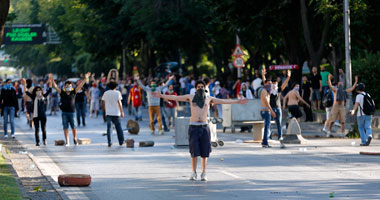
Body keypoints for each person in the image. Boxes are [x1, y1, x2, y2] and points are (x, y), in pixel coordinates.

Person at [152, 80, 248, 181]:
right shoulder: (190, 97)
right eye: (199, 87)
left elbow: (223, 101)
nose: (200, 88)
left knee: (204, 152)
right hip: (193, 127)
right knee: (194, 152)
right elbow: (175, 97)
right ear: (195, 88)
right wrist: (162, 96)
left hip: (204, 126)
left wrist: (237, 101)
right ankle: (193, 172)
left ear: (204, 89)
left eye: (202, 87)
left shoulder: (208, 99)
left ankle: (204, 173)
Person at [50, 72, 90, 146]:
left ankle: (74, 138)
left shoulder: (73, 92)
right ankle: (67, 141)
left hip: (72, 112)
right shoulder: (62, 92)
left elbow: (80, 85)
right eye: (67, 85)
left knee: (73, 127)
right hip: (64, 112)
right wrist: (52, 80)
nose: (68, 86)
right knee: (65, 127)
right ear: (65, 86)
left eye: (70, 85)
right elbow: (55, 87)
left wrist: (85, 78)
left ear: (72, 86)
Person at [262, 69, 291, 140]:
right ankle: (270, 136)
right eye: (273, 83)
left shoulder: (278, 90)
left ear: (277, 84)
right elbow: (265, 82)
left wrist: (288, 77)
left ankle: (280, 137)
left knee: (279, 124)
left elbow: (284, 85)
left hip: (278, 108)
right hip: (270, 108)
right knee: (269, 124)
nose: (274, 84)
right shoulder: (269, 90)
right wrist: (263, 75)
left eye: (276, 83)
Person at [102, 81, 125, 147]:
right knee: (118, 127)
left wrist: (105, 110)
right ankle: (121, 141)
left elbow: (103, 103)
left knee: (109, 128)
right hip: (116, 113)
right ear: (116, 86)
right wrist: (122, 111)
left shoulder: (106, 93)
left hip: (108, 113)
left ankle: (110, 142)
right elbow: (120, 103)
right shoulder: (118, 93)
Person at [260, 79, 277, 147]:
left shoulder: (267, 91)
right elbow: (266, 102)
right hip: (265, 111)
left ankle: (265, 141)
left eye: (271, 83)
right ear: (265, 84)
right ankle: (265, 142)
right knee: (267, 127)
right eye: (268, 83)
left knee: (268, 127)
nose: (270, 84)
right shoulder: (264, 91)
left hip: (266, 111)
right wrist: (272, 111)